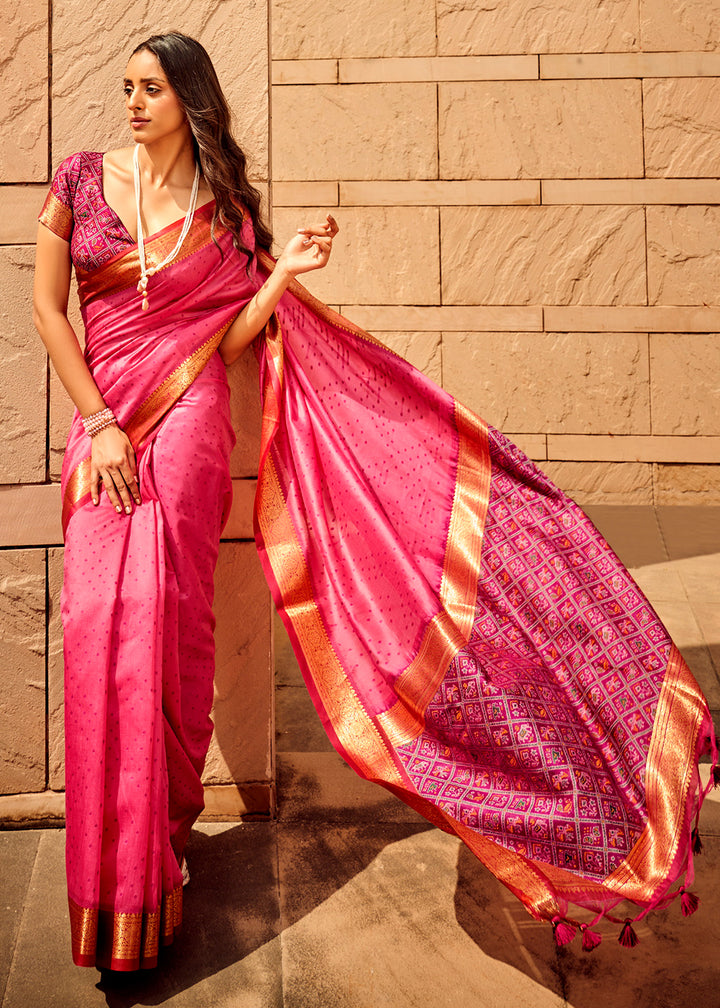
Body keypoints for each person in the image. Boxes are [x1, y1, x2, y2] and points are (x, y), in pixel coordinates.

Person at [34, 31, 716, 972]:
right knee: (97, 620)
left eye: (150, 89)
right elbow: (44, 311)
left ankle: (164, 851)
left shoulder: (224, 214)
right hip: (104, 422)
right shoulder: (76, 178)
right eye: (127, 88)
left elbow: (229, 342)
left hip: (188, 424)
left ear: (190, 101)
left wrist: (281, 274)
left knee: (165, 622)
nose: (132, 103)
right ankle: (110, 881)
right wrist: (100, 421)